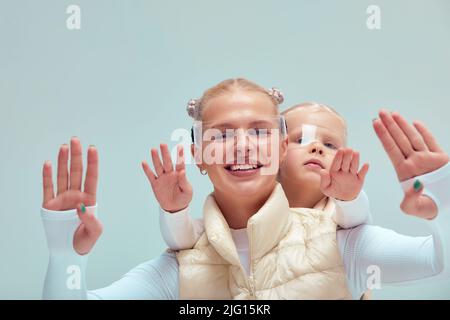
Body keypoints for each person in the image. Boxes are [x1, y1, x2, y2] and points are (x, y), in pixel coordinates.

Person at [40, 78, 450, 299]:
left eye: (259, 131)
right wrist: (64, 257)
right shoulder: (176, 273)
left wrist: (442, 198)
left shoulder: (345, 248)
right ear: (199, 155)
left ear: (281, 147)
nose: (241, 145)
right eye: (221, 135)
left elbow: (439, 262)